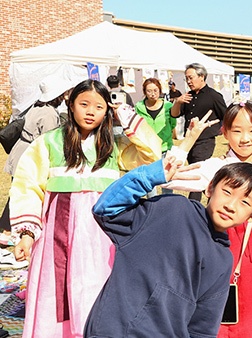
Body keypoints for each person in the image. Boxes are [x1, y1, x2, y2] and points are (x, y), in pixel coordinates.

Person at [9, 79, 161, 337]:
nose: (91, 111)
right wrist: (26, 233)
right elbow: (28, 185)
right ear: (70, 105)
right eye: (84, 104)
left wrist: (124, 113)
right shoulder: (49, 143)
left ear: (107, 111)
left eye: (99, 107)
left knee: (99, 282)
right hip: (58, 232)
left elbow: (152, 155)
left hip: (103, 233)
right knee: (57, 289)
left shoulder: (113, 146)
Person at [85, 159, 252, 337]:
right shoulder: (172, 209)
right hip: (113, 330)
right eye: (227, 192)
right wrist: (149, 176)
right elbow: (106, 210)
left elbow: (203, 328)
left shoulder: (223, 260)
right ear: (210, 188)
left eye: (245, 202)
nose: (231, 206)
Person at [165, 101, 252, 338]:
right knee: (220, 315)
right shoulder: (216, 167)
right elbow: (167, 178)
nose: (245, 138)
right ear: (224, 131)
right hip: (223, 249)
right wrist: (187, 142)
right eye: (237, 130)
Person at [1, 75, 72, 233]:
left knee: (18, 190)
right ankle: (7, 228)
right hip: (29, 154)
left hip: (21, 150)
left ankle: (7, 228)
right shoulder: (49, 114)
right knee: (23, 192)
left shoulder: (37, 107)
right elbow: (49, 141)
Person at [171, 62, 228, 201]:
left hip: (205, 140)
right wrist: (178, 102)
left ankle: (193, 204)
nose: (189, 81)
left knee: (197, 171)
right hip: (188, 141)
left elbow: (226, 116)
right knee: (195, 171)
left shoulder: (214, 96)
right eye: (187, 78)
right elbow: (174, 115)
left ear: (201, 76)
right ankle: (213, 197)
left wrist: (216, 129)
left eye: (191, 77)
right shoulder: (187, 96)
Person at [135, 78, 177, 195]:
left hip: (165, 148)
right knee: (149, 181)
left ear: (160, 90)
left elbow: (173, 123)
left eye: (155, 90)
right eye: (149, 91)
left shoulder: (168, 106)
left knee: (167, 181)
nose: (152, 94)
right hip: (147, 150)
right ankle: (152, 207)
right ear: (144, 92)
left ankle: (167, 205)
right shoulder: (139, 107)